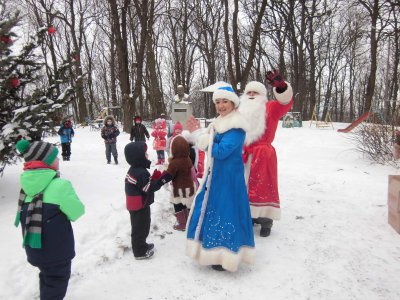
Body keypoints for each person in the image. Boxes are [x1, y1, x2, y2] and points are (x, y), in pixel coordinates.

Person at [185, 85, 255, 272]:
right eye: (217, 102)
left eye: (225, 101)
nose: (221, 105)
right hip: (216, 176)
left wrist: (200, 135)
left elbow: (220, 151)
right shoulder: (219, 122)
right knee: (212, 211)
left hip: (229, 179)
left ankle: (225, 254)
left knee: (226, 212)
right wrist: (201, 136)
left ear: (233, 102)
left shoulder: (236, 127)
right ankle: (211, 251)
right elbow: (210, 145)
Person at [14, 139, 85, 300]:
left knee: (46, 277)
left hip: (34, 248)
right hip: (57, 252)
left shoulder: (26, 186)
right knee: (57, 281)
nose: (59, 160)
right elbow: (77, 212)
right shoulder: (60, 186)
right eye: (55, 157)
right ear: (45, 162)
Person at [238, 70, 294, 237]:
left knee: (263, 187)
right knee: (246, 186)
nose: (252, 95)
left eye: (256, 92)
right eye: (249, 92)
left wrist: (282, 88)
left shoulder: (270, 107)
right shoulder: (239, 111)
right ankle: (250, 215)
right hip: (244, 154)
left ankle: (266, 221)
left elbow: (285, 104)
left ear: (263, 95)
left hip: (263, 154)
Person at [125, 142, 164, 259]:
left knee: (141, 226)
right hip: (139, 205)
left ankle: (142, 245)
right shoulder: (141, 172)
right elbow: (148, 188)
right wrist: (161, 181)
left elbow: (143, 185)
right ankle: (140, 252)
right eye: (145, 153)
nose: (147, 155)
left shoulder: (136, 169)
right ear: (138, 156)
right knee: (140, 228)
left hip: (137, 204)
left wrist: (154, 178)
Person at [154, 135, 197, 231]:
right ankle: (191, 223)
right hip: (189, 187)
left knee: (178, 205)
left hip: (179, 189)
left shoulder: (174, 163)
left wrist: (160, 181)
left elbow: (169, 175)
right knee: (188, 205)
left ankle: (182, 224)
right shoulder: (188, 159)